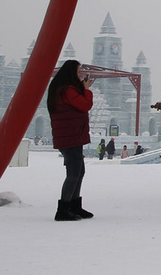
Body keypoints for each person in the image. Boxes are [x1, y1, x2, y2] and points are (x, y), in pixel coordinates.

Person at [48, 59, 95, 221]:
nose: (81, 74)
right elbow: (85, 105)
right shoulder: (67, 90)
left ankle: (74, 206)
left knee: (79, 171)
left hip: (72, 135)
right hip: (70, 136)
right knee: (74, 173)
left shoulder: (64, 89)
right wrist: (86, 90)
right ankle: (63, 209)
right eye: (78, 71)